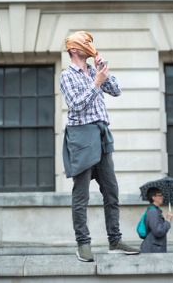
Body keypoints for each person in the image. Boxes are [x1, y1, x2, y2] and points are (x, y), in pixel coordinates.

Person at [60, 31, 140, 262]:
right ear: (74, 50)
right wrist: (96, 83)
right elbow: (75, 106)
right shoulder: (67, 76)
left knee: (111, 190)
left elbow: (116, 90)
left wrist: (103, 71)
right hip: (81, 136)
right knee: (81, 194)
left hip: (102, 134)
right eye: (85, 44)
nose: (90, 47)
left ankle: (114, 240)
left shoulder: (94, 71)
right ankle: (83, 243)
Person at [140, 187, 173, 253]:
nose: (162, 197)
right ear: (153, 198)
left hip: (155, 248)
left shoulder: (155, 211)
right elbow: (158, 232)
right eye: (160, 195)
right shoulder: (153, 212)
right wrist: (168, 220)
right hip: (153, 250)